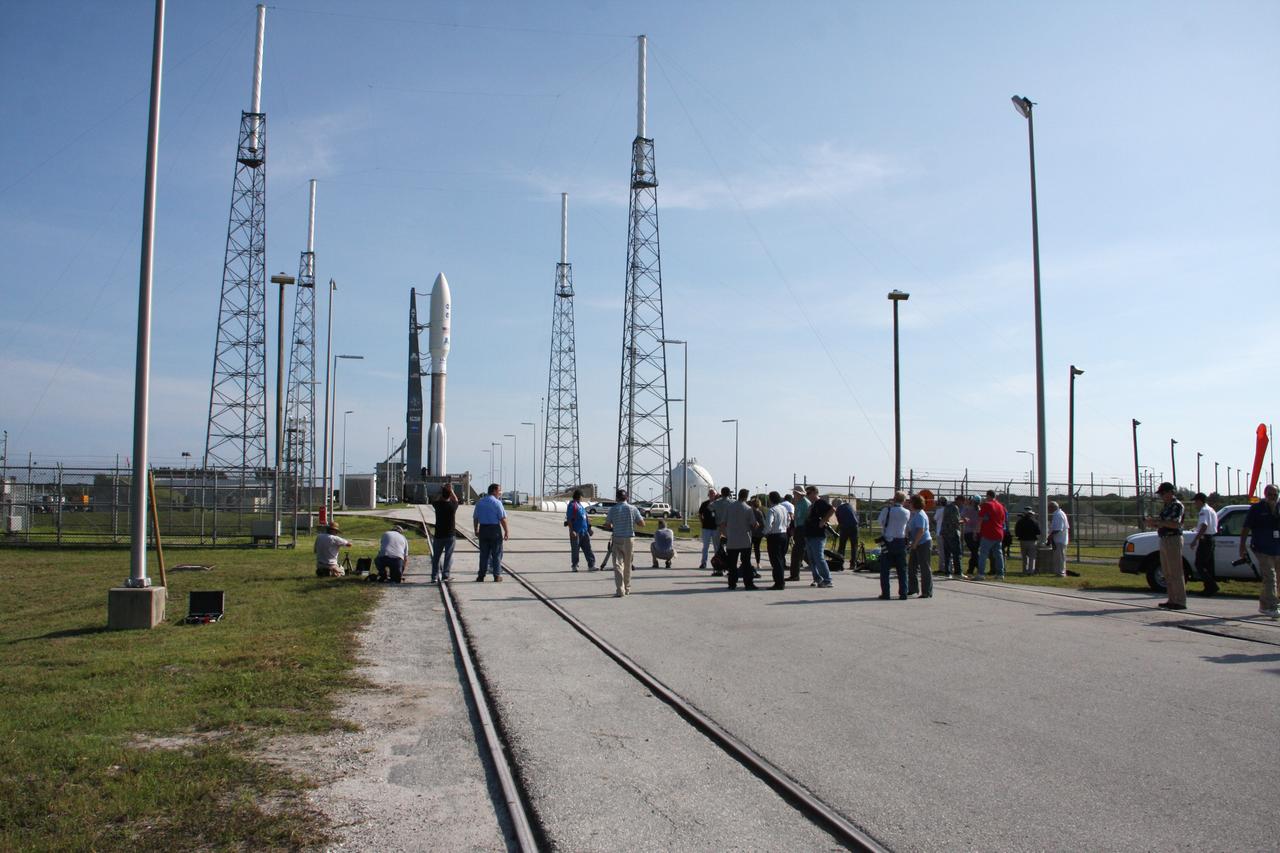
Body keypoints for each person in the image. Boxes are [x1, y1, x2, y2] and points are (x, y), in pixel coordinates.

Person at [1238, 483, 1279, 618]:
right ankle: (1272, 606)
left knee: (1275, 578)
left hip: (1277, 548)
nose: (1272, 497)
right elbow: (1246, 528)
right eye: (1270, 495)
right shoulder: (1257, 508)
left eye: (1275, 495)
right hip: (1262, 548)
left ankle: (1264, 604)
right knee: (1270, 577)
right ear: (1265, 495)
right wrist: (1242, 546)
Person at [1146, 482, 1186, 610]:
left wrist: (1159, 522)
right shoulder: (1167, 506)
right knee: (1167, 572)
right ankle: (1172, 599)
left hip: (1173, 539)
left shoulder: (1177, 505)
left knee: (1175, 571)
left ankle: (1180, 601)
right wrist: (1153, 523)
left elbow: (1175, 523)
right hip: (1164, 538)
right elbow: (1162, 522)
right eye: (1160, 494)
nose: (1162, 496)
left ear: (1170, 492)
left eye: (1163, 493)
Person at [604, 489, 645, 597]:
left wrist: (612, 525)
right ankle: (627, 589)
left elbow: (607, 525)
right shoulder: (633, 508)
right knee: (628, 565)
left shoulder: (613, 510)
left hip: (617, 538)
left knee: (617, 564)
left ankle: (620, 590)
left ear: (617, 498)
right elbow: (642, 524)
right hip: (629, 539)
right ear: (626, 497)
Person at [722, 489, 759, 590]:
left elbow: (723, 523)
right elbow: (754, 524)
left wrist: (726, 534)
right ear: (746, 497)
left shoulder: (729, 507)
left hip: (732, 541)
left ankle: (732, 583)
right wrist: (756, 525)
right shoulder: (748, 509)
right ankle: (748, 583)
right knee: (746, 563)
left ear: (738, 495)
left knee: (732, 564)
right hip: (745, 540)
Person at [473, 483, 509, 582]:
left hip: (483, 529)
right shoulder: (497, 503)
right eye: (499, 491)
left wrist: (476, 529)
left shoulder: (480, 502)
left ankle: (481, 576)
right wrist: (506, 531)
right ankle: (497, 575)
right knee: (496, 553)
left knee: (483, 554)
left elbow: (475, 518)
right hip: (494, 530)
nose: (500, 493)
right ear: (494, 491)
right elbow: (502, 519)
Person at [877, 492, 910, 599]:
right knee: (902, 569)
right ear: (903, 500)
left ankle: (886, 593)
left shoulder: (887, 510)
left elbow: (880, 522)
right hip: (901, 541)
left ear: (894, 499)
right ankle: (903, 592)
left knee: (885, 569)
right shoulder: (907, 512)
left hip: (888, 541)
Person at [802, 486, 834, 588]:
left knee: (819, 558)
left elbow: (832, 509)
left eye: (809, 493)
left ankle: (827, 580)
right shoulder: (812, 505)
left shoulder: (820, 502)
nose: (807, 495)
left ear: (815, 493)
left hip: (817, 535)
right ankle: (817, 578)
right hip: (809, 534)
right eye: (806, 494)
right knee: (811, 559)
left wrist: (823, 521)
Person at [1189, 492, 1219, 596]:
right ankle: (1208, 589)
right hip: (1211, 538)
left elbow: (1204, 526)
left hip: (1205, 540)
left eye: (1195, 501)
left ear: (1200, 501)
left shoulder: (1204, 511)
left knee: (1199, 564)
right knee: (1208, 566)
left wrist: (1195, 540)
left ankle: (1212, 586)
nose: (1195, 504)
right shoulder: (1211, 509)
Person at [430, 483, 459, 582]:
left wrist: (441, 491)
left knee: (436, 557)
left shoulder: (437, 505)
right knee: (448, 556)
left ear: (442, 495)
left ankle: (434, 576)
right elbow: (456, 500)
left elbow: (434, 500)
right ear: (450, 495)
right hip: (450, 535)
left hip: (438, 535)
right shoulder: (452, 506)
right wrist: (451, 491)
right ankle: (446, 575)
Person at [976, 490, 1007, 580]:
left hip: (988, 533)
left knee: (983, 554)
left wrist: (977, 530)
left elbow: (980, 517)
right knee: (998, 554)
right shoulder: (1001, 506)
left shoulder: (987, 505)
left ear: (988, 496)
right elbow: (1003, 520)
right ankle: (1000, 574)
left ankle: (981, 574)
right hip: (999, 532)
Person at [907, 494, 933, 598]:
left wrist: (915, 543)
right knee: (912, 567)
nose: (909, 504)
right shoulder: (914, 514)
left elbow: (921, 530)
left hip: (923, 543)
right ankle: (913, 589)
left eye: (910, 502)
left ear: (915, 503)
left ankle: (927, 591)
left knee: (924, 567)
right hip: (916, 543)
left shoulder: (920, 515)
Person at [564, 489, 597, 572]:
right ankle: (574, 566)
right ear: (579, 496)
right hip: (576, 532)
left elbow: (585, 518)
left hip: (584, 531)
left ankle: (591, 565)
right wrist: (572, 531)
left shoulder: (580, 505)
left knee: (588, 549)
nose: (583, 498)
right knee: (575, 550)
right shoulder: (572, 505)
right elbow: (569, 519)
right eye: (582, 496)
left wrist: (589, 529)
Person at [763, 491, 790, 590]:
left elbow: (769, 524)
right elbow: (789, 520)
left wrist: (765, 532)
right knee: (781, 559)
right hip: (784, 534)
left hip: (774, 536)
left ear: (770, 499)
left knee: (775, 560)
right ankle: (780, 581)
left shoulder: (772, 510)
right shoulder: (784, 509)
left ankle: (779, 582)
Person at [710, 486, 735, 575]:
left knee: (717, 548)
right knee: (730, 549)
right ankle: (730, 568)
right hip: (729, 527)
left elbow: (709, 508)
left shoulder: (716, 502)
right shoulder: (733, 502)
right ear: (729, 493)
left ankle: (719, 569)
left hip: (718, 527)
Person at [789, 487, 811, 582]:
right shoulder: (800, 502)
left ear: (799, 494)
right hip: (799, 528)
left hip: (802, 528)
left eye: (795, 493)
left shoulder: (804, 503)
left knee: (797, 553)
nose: (793, 495)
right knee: (800, 552)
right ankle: (794, 574)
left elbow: (803, 517)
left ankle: (795, 575)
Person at [1014, 508, 1041, 575]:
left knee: (1024, 557)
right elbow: (1038, 532)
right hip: (1032, 541)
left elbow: (1017, 532)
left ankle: (1024, 570)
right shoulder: (1034, 521)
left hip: (1023, 541)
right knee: (1032, 557)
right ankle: (1031, 571)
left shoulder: (1020, 522)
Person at [941, 496, 962, 578]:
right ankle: (958, 572)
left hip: (945, 532)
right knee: (956, 553)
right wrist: (963, 521)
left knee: (947, 553)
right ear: (959, 500)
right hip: (953, 532)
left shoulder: (946, 507)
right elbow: (955, 521)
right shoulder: (954, 508)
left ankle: (947, 571)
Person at [1046, 502, 1069, 577]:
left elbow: (1058, 529)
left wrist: (1050, 536)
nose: (1048, 509)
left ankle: (1061, 572)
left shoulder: (1058, 515)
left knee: (1059, 557)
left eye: (1049, 507)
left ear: (1052, 507)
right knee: (1058, 557)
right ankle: (1059, 572)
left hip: (1059, 540)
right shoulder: (1060, 513)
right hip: (1059, 540)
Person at [697, 488, 718, 569]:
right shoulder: (704, 504)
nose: (712, 495)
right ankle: (703, 563)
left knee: (716, 547)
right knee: (705, 547)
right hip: (706, 528)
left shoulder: (718, 504)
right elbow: (700, 514)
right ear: (708, 495)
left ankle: (717, 563)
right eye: (710, 493)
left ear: (715, 495)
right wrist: (702, 522)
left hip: (716, 528)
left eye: (713, 493)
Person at [960, 495, 981, 575]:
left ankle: (975, 568)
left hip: (968, 532)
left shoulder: (967, 509)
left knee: (974, 552)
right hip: (977, 532)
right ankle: (972, 569)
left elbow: (961, 516)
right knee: (974, 551)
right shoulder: (979, 509)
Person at [834, 498, 860, 564]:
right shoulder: (849, 506)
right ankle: (853, 562)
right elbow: (856, 516)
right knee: (854, 545)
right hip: (854, 526)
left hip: (845, 528)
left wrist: (837, 530)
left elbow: (840, 522)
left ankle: (839, 562)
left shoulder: (838, 509)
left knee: (842, 545)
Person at [932, 498, 947, 576]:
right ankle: (948, 567)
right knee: (947, 551)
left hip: (940, 532)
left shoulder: (939, 510)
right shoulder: (948, 510)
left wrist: (936, 508)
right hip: (947, 533)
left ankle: (942, 568)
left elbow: (934, 519)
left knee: (941, 551)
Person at [749, 497, 765, 568]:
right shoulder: (760, 512)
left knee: (748, 549)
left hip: (750, 533)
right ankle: (758, 563)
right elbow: (763, 523)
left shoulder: (749, 511)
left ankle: (747, 562)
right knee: (757, 548)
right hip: (758, 533)